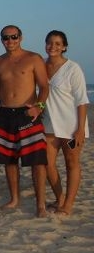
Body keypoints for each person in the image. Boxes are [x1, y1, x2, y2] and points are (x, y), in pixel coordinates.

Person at [0, 25, 49, 217]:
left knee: (37, 160)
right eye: (6, 37)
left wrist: (38, 107)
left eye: (14, 37)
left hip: (27, 113)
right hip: (5, 113)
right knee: (9, 159)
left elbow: (44, 87)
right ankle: (14, 199)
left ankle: (41, 205)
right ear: (1, 40)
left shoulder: (33, 58)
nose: (10, 41)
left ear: (21, 38)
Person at [43, 30, 89, 216]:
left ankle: (68, 205)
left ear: (64, 47)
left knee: (72, 163)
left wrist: (80, 129)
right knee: (47, 164)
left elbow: (82, 100)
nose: (52, 46)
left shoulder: (73, 68)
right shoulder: (41, 65)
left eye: (57, 43)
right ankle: (59, 198)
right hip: (49, 125)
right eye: (49, 43)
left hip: (71, 126)